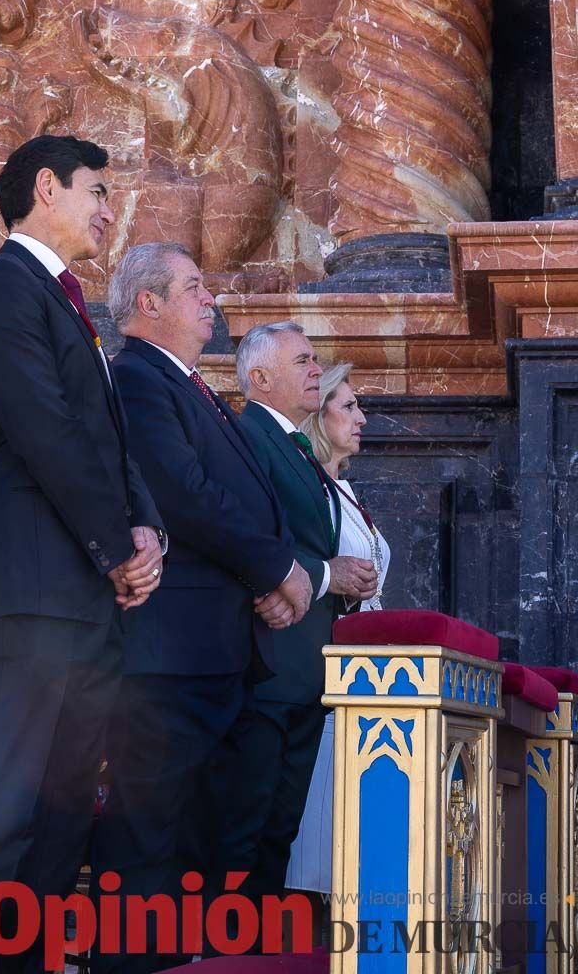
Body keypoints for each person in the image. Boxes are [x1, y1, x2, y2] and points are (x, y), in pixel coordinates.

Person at [0, 135, 165, 974]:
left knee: (63, 816)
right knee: (0, 811)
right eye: (97, 191)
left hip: (87, 597)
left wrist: (144, 532)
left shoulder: (69, 305)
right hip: (31, 595)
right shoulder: (0, 288)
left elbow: (107, 441)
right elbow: (45, 435)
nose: (109, 210)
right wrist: (115, 547)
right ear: (45, 188)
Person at [90, 242, 313, 974]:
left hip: (218, 653)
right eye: (193, 287)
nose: (210, 298)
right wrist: (277, 569)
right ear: (148, 303)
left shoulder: (194, 387)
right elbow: (184, 496)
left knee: (201, 843)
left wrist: (270, 581)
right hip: (169, 657)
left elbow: (252, 498)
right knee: (148, 843)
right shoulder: (139, 379)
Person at [225, 324, 377, 912]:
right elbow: (249, 532)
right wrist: (322, 572)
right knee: (247, 825)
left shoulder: (293, 447)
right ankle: (224, 952)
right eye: (303, 360)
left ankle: (258, 948)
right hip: (270, 659)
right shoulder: (250, 437)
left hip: (306, 666)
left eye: (315, 359)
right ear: (260, 378)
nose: (317, 369)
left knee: (278, 829)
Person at [286, 360, 391, 894]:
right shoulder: (310, 491)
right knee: (319, 831)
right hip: (330, 672)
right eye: (348, 406)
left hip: (366, 674)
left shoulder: (345, 490)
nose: (362, 418)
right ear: (317, 415)